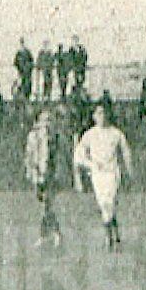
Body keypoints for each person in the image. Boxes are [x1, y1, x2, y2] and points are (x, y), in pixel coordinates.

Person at [74, 104, 133, 250]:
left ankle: (109, 238)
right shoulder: (89, 135)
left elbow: (125, 151)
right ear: (94, 116)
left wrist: (129, 171)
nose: (102, 116)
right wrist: (91, 164)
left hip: (112, 173)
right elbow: (78, 155)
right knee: (104, 205)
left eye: (104, 113)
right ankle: (115, 236)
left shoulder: (116, 133)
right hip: (97, 175)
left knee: (109, 203)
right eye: (98, 113)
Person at [25, 108, 62, 248]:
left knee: (47, 205)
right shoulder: (33, 136)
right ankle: (53, 233)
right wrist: (31, 171)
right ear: (38, 121)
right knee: (44, 205)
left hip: (49, 175)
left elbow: (56, 157)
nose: (47, 123)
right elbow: (29, 155)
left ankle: (48, 235)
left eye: (49, 120)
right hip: (37, 175)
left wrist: (55, 172)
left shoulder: (54, 137)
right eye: (44, 120)